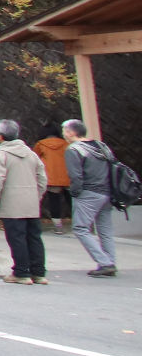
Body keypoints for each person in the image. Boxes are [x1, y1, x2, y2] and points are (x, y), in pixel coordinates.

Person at [0, 119, 49, 285]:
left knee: (17, 238)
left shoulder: (0, 154)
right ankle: (38, 272)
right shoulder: (31, 153)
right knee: (34, 237)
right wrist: (36, 196)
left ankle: (21, 272)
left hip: (10, 203)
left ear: (0, 137)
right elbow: (42, 179)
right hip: (31, 202)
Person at [63, 118, 119, 278]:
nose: (64, 134)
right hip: (107, 192)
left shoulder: (74, 149)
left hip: (88, 193)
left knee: (80, 228)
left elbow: (75, 176)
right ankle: (110, 261)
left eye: (65, 131)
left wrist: (74, 192)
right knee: (105, 230)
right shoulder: (102, 146)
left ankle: (105, 262)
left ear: (71, 132)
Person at [33, 122, 72, 232]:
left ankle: (58, 227)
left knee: (54, 201)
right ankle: (81, 223)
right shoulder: (65, 144)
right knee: (72, 200)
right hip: (67, 177)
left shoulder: (40, 145)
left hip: (51, 177)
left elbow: (35, 159)